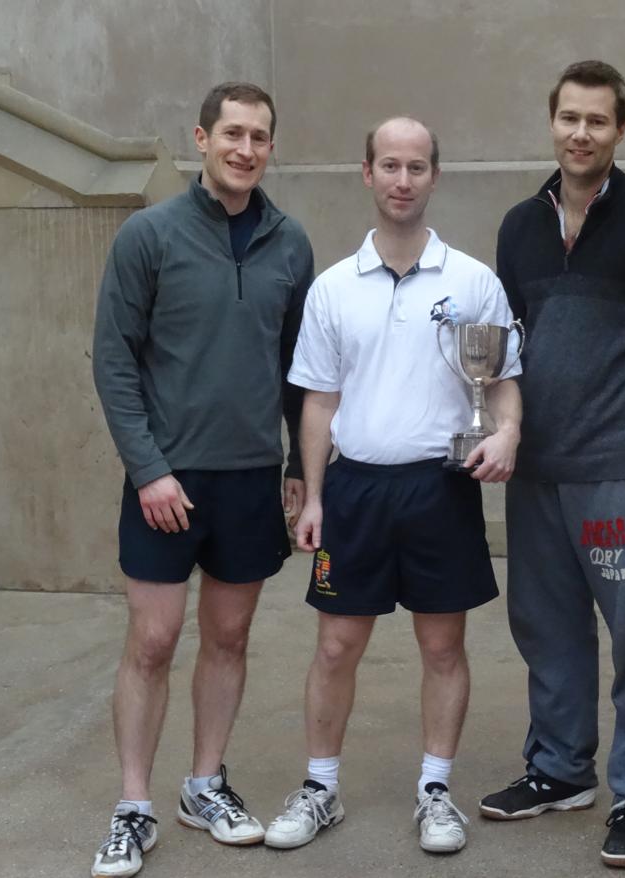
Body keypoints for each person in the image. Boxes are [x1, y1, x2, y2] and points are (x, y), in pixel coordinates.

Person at [478, 60, 625, 869]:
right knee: (544, 628)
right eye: (569, 118)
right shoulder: (517, 227)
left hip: (621, 468)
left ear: (620, 129)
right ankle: (558, 769)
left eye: (598, 121)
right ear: (552, 122)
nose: (581, 133)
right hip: (535, 468)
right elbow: (500, 346)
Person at [265, 116, 522, 856]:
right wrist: (312, 496)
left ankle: (435, 791)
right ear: (367, 174)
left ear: (434, 176)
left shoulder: (473, 281)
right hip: (354, 495)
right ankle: (320, 787)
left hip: (440, 491)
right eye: (389, 166)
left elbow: (502, 383)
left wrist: (506, 432)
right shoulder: (331, 289)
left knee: (442, 646)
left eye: (415, 167)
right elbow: (316, 401)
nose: (402, 180)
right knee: (337, 647)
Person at [89, 82, 314, 878]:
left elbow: (301, 373)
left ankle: (202, 785)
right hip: (165, 483)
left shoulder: (291, 244)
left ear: (270, 147)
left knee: (227, 638)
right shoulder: (148, 236)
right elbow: (113, 362)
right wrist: (148, 470)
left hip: (250, 480)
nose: (245, 149)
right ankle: (132, 806)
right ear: (201, 138)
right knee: (151, 642)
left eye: (259, 136)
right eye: (232, 134)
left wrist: (296, 466)